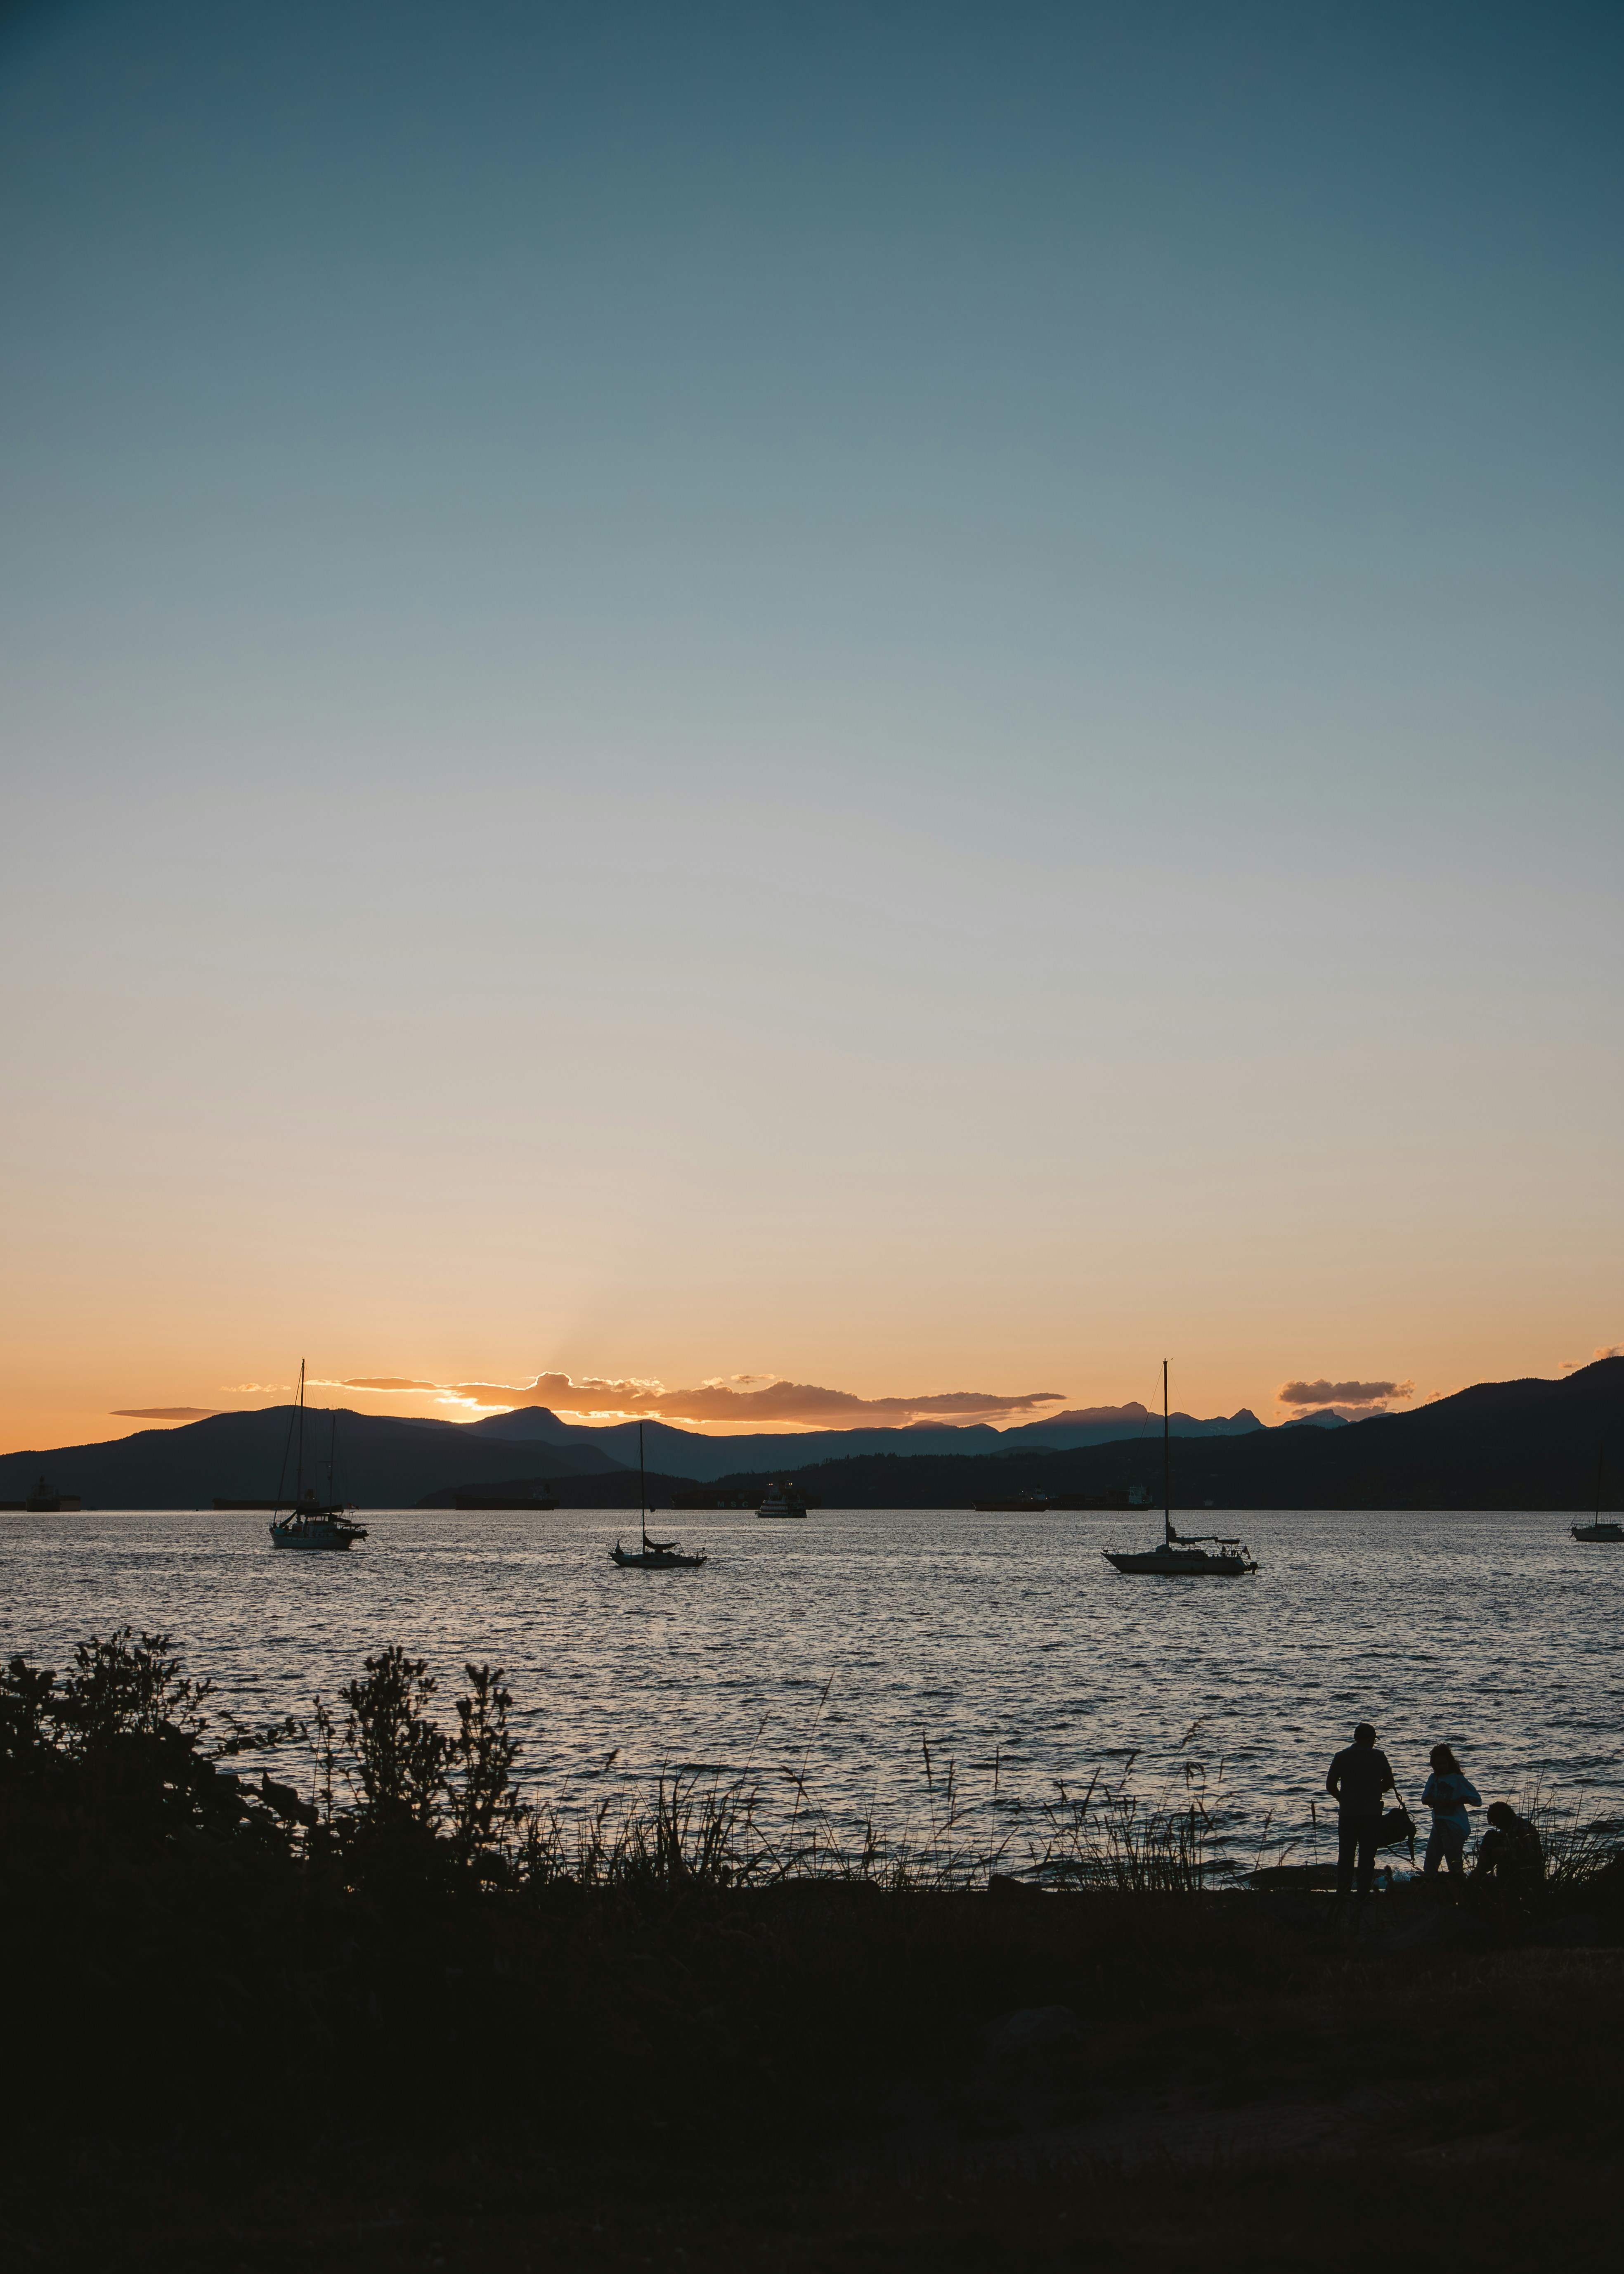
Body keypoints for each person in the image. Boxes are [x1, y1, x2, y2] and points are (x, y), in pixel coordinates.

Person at [1325, 1722, 1396, 1898]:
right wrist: (1375, 1792)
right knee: (1367, 1857)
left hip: (1348, 1814)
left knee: (1346, 1856)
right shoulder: (1379, 1756)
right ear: (1371, 1739)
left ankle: (1343, 1893)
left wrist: (1343, 1800)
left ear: (1356, 1738)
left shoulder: (1341, 1756)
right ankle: (1363, 1895)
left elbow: (1330, 1785)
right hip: (1371, 1814)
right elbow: (1389, 1782)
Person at [1421, 1744, 1481, 1885]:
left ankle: (1461, 1887)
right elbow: (1425, 1799)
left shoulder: (1457, 1779)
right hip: (1438, 1825)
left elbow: (1477, 1800)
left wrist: (1457, 1801)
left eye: (1444, 1763)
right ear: (1434, 1764)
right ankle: (1430, 1887)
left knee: (1454, 1863)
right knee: (1430, 1863)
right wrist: (1438, 1801)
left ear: (1449, 1762)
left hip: (1454, 1826)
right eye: (1439, 1764)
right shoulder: (1433, 1778)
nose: (1442, 1766)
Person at [1473, 1800, 1543, 1886]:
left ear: (1503, 1819)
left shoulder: (1524, 1828)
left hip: (1525, 1874)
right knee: (1490, 1835)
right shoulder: (1505, 1829)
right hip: (1508, 1871)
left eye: (1496, 1823)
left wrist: (1505, 1851)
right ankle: (1479, 1872)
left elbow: (1530, 1856)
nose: (1497, 1827)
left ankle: (1478, 1875)